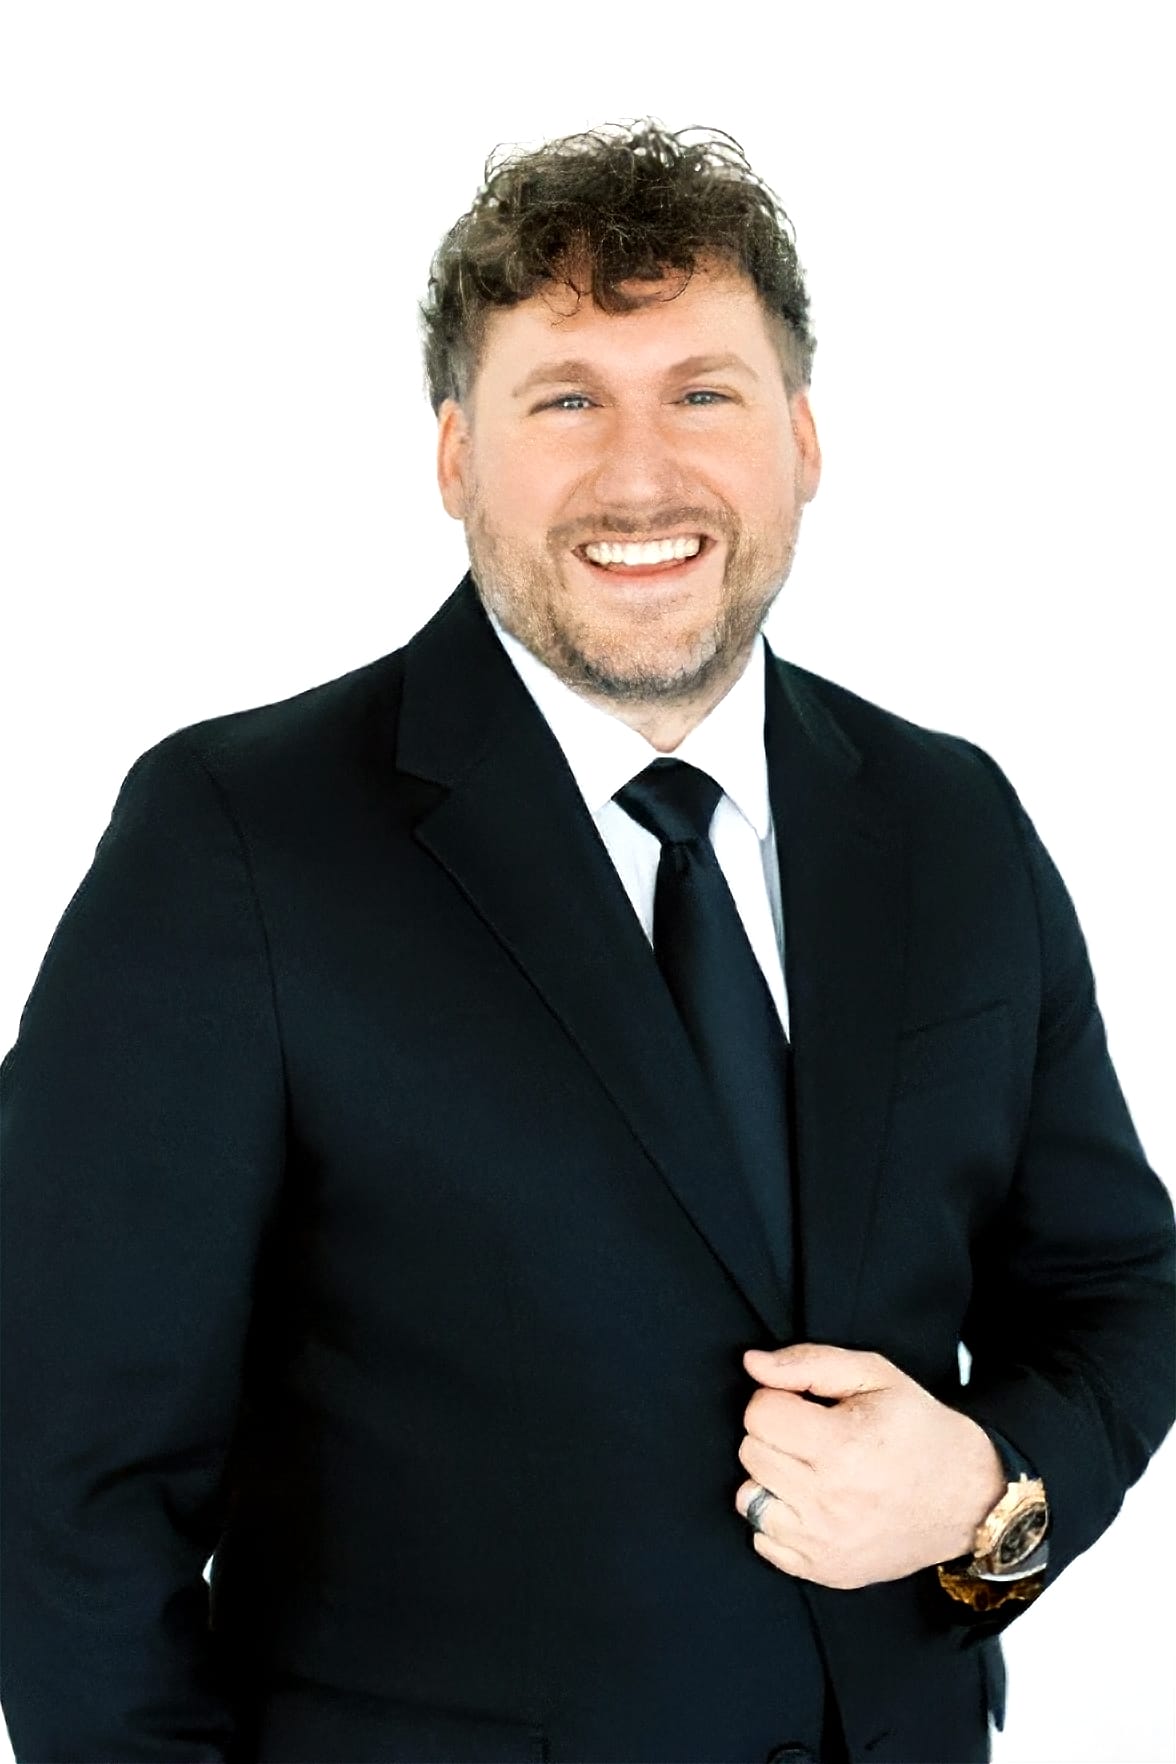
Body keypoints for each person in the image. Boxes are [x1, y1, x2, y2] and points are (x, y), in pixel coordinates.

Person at [1, 119, 1172, 1764]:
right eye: (566, 400)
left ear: (805, 438)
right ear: (456, 457)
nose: (642, 475)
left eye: (705, 391)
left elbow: (1119, 1285)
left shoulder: (949, 819)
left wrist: (995, 1489)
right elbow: (68, 1484)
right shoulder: (236, 840)